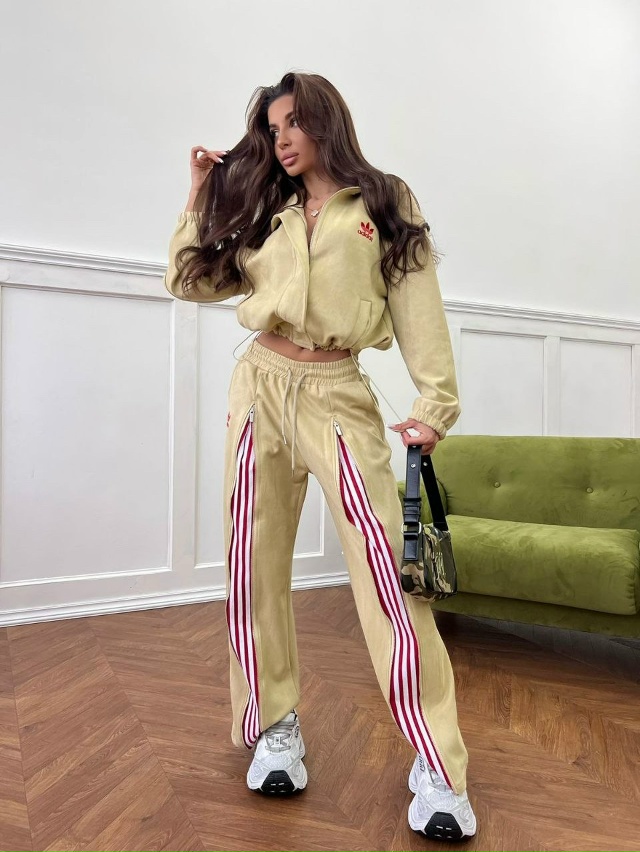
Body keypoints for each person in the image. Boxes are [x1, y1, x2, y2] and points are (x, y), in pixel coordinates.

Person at [164, 71, 476, 843]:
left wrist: (433, 406)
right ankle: (275, 728)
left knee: (388, 575)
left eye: (294, 122)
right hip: (259, 390)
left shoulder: (384, 202)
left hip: (339, 395)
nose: (282, 139)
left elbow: (418, 304)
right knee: (254, 566)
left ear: (326, 120)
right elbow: (187, 280)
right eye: (272, 129)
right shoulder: (264, 210)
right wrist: (201, 194)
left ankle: (439, 766)